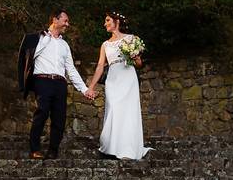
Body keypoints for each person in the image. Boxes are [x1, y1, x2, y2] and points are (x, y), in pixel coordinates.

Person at [17, 9, 96, 159]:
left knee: (59, 117)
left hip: (60, 83)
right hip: (42, 80)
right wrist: (23, 83)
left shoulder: (65, 45)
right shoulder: (37, 38)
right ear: (55, 20)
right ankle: (35, 149)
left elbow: (71, 69)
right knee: (42, 112)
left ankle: (53, 150)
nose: (68, 24)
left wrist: (85, 89)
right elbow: (24, 60)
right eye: (65, 21)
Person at [86, 11, 151, 160]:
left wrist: (135, 58)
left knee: (128, 111)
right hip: (113, 78)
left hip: (128, 76)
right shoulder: (105, 45)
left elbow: (139, 64)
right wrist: (91, 86)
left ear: (117, 21)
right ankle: (112, 147)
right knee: (114, 109)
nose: (105, 23)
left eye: (108, 20)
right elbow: (100, 66)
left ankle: (128, 149)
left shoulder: (131, 39)